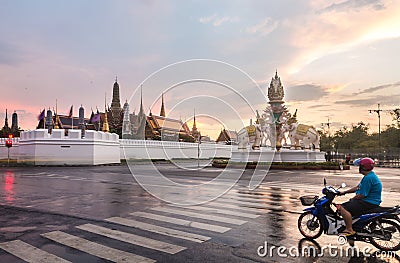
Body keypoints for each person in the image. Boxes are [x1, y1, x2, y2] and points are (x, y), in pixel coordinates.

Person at [337, 157, 382, 236]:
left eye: (360, 166)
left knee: (343, 207)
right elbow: (358, 187)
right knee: (351, 204)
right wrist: (344, 192)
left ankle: (349, 229)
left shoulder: (368, 178)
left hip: (368, 202)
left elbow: (362, 195)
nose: (359, 168)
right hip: (371, 201)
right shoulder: (370, 175)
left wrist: (352, 199)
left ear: (364, 167)